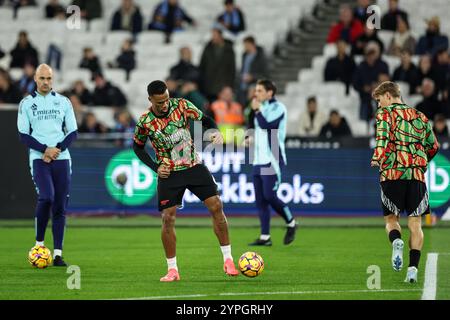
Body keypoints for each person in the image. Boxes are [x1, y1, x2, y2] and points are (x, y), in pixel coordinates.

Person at [133, 80, 239, 281]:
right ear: (150, 100)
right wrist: (156, 167)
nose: (164, 104)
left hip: (192, 166)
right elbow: (137, 147)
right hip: (169, 173)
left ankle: (228, 259)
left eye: (166, 99)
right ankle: (172, 269)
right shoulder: (144, 122)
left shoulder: (181, 105)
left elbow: (206, 120)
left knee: (216, 205)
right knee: (168, 218)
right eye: (159, 102)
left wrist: (215, 131)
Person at [371, 81, 439, 283]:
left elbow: (382, 139)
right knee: (416, 223)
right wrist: (420, 161)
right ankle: (412, 270)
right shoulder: (420, 116)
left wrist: (377, 156)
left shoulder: (385, 114)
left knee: (391, 220)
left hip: (393, 174)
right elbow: (433, 145)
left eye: (379, 100)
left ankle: (397, 242)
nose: (379, 105)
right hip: (416, 176)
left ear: (389, 96)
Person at [17, 64, 78, 267]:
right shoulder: (26, 104)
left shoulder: (63, 102)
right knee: (46, 197)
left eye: (49, 79)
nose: (46, 82)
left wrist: (56, 149)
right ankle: (39, 245)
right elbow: (23, 135)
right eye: (42, 78)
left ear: (53, 79)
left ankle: (58, 254)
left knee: (60, 205)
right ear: (35, 78)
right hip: (39, 158)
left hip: (61, 158)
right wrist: (45, 149)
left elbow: (72, 132)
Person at [248, 79, 297, 246]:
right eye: (256, 90)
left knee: (270, 195)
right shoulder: (258, 108)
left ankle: (291, 222)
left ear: (270, 92)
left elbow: (267, 125)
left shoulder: (278, 107)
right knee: (260, 200)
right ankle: (265, 237)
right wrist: (249, 136)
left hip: (272, 159)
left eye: (260, 90)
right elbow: (254, 125)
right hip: (257, 159)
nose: (256, 93)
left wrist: (257, 111)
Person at [199, 28, 236, 102]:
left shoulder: (229, 49)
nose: (213, 37)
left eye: (215, 35)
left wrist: (229, 85)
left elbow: (232, 69)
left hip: (223, 85)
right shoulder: (208, 48)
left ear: (220, 36)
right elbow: (202, 65)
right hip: (209, 85)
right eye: (212, 35)